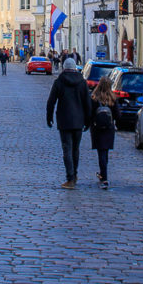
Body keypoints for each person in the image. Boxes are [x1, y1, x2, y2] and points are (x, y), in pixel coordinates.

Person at [46, 58, 91, 189]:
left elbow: (51, 101)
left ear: (64, 67)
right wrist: (88, 120)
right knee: (75, 150)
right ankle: (74, 175)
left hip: (64, 119)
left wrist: (49, 117)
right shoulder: (82, 82)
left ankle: (70, 178)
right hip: (78, 120)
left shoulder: (59, 81)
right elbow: (87, 103)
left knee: (67, 149)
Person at [89, 77, 121, 190]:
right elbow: (118, 115)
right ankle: (103, 173)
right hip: (108, 128)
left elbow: (90, 114)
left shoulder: (94, 98)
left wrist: (89, 124)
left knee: (101, 152)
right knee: (105, 151)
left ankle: (104, 176)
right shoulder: (112, 98)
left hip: (97, 128)